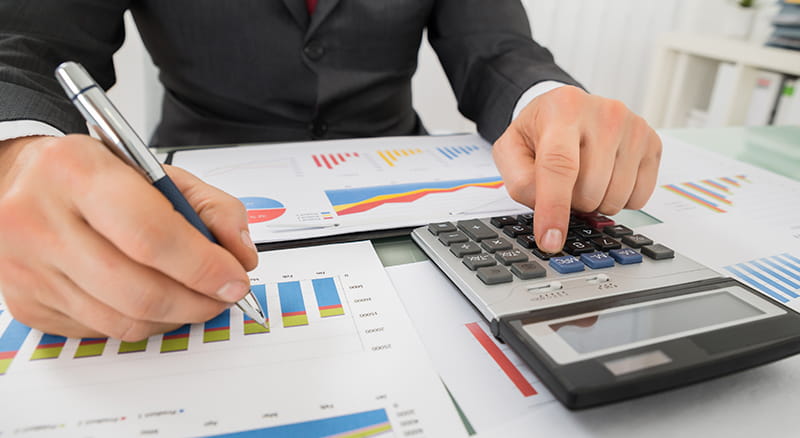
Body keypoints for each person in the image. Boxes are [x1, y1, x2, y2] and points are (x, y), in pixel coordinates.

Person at [0, 1, 661, 341]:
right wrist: (18, 154)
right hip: (199, 185)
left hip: (402, 188)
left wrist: (546, 99)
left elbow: (496, 46)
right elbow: (26, 43)